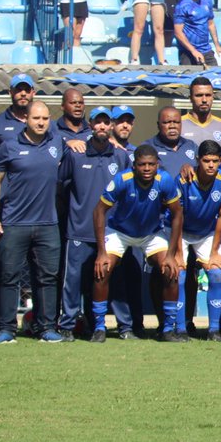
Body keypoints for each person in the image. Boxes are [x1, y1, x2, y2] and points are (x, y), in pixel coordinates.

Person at [0, 101, 64, 344]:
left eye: (45, 118)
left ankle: (46, 328)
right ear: (25, 120)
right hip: (14, 223)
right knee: (9, 277)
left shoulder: (56, 142)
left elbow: (82, 142)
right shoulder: (9, 146)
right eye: (36, 118)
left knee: (47, 278)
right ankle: (6, 329)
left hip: (48, 225)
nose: (41, 122)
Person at [93, 144, 184, 343]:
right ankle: (99, 327)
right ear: (134, 165)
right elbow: (99, 211)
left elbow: (177, 214)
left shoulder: (165, 180)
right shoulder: (122, 179)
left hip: (151, 233)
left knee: (170, 271)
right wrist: (101, 252)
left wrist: (171, 253)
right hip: (120, 232)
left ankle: (168, 329)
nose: (146, 168)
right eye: (142, 164)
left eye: (151, 164)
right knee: (103, 269)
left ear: (157, 165)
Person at [57, 108, 131, 341]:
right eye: (97, 122)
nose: (101, 126)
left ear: (111, 126)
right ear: (90, 125)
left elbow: (128, 192)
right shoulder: (75, 154)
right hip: (79, 230)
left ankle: (112, 326)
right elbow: (61, 186)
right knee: (73, 282)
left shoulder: (120, 156)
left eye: (105, 122)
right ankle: (67, 325)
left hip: (111, 234)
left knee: (107, 282)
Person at [176, 140, 221, 342]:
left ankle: (214, 330)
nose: (211, 165)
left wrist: (214, 252)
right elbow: (177, 217)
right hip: (180, 231)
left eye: (215, 161)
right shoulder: (185, 180)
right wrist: (177, 251)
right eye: (206, 160)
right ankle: (180, 328)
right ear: (198, 160)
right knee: (179, 275)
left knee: (218, 273)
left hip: (206, 233)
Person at [173, 0, 221, 66]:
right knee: (189, 78)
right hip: (188, 52)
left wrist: (217, 45)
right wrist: (193, 51)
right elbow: (178, 32)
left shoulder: (207, 0)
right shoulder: (182, 6)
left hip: (206, 50)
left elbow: (211, 24)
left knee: (215, 77)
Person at [180, 77, 221, 147]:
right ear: (190, 98)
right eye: (199, 95)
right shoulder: (179, 124)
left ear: (213, 98)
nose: (204, 100)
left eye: (208, 95)